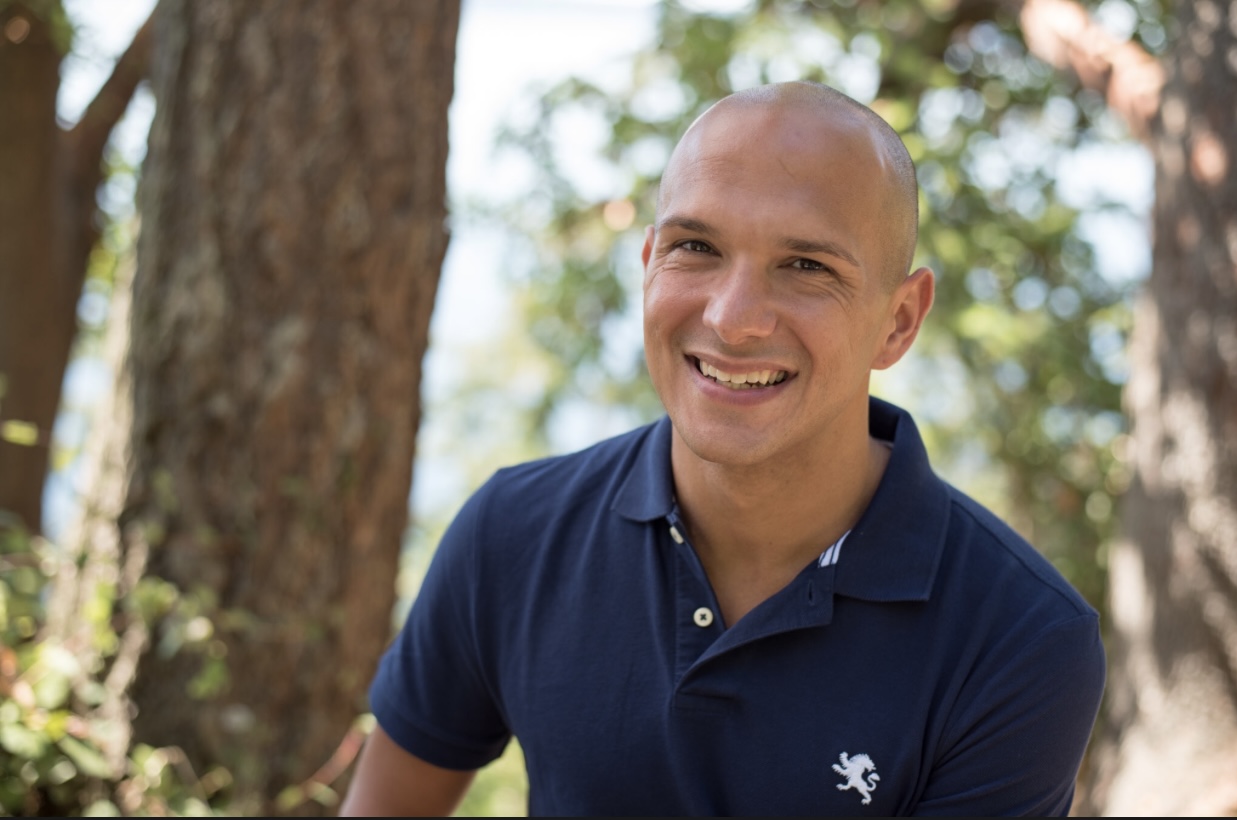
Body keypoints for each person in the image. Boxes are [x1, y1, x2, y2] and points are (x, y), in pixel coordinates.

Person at [340, 81, 1105, 816]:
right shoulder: (513, 533)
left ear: (899, 322)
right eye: (696, 247)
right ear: (647, 269)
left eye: (806, 266)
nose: (733, 318)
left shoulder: (1018, 639)